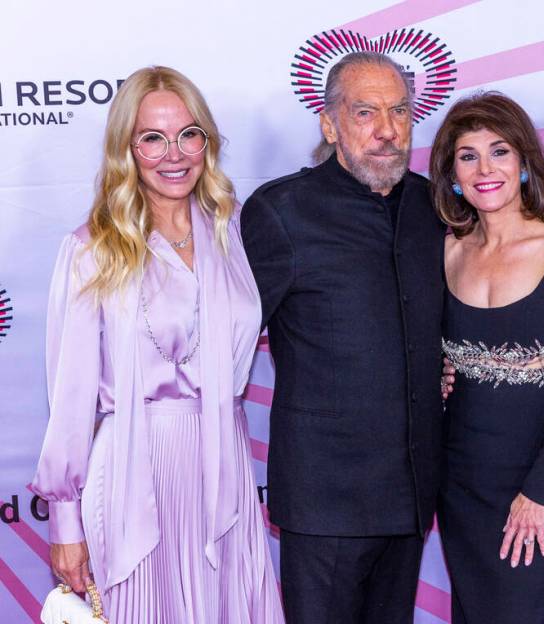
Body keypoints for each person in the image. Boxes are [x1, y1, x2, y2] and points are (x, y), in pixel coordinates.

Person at [29, 66, 284, 622]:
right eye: (153, 137)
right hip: (132, 474)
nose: (175, 153)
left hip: (225, 471)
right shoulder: (92, 250)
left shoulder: (237, 231)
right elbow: (70, 400)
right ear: (128, 148)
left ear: (207, 142)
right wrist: (66, 524)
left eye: (188, 134)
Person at [240, 52, 445, 624]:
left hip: (411, 492)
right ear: (330, 125)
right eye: (365, 113)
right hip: (324, 501)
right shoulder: (281, 212)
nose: (387, 131)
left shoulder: (435, 207)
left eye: (400, 111)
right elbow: (226, 340)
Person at [429, 92, 544, 624]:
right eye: (468, 155)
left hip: (538, 484)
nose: (485, 169)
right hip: (460, 482)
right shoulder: (445, 250)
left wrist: (537, 490)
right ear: (452, 173)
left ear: (524, 162)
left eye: (499, 151)